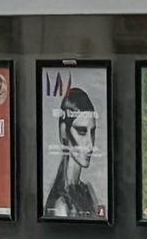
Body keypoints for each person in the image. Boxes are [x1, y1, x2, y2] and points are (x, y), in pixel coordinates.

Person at [43, 85, 104, 220]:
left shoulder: (86, 190)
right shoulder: (62, 205)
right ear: (64, 131)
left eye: (92, 132)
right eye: (81, 131)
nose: (90, 144)